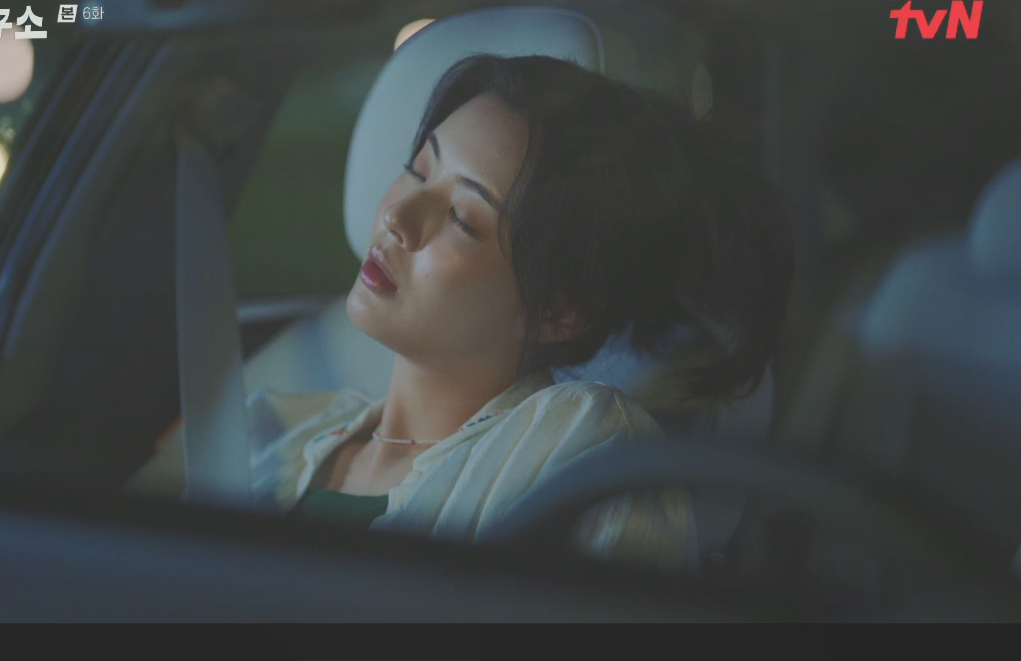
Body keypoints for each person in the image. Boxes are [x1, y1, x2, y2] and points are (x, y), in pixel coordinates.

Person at [242, 54, 794, 573]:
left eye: (462, 217)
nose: (398, 217)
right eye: (418, 170)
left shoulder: (579, 448)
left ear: (556, 311)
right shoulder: (273, 424)